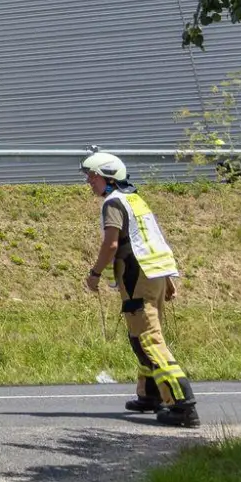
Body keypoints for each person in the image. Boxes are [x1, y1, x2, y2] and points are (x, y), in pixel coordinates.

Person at [81, 151, 199, 428]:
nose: (89, 182)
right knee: (138, 336)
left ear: (109, 178)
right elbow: (153, 240)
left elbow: (111, 244)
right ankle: (150, 395)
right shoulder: (135, 199)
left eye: (93, 176)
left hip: (137, 276)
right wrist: (168, 279)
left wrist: (94, 274)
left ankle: (183, 405)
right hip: (155, 274)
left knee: (148, 338)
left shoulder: (112, 203)